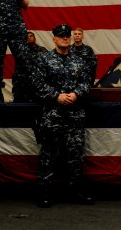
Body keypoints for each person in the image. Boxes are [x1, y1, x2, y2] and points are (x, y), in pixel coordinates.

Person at [31, 24, 94, 208]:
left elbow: (86, 83)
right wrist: (55, 96)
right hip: (53, 115)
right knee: (49, 154)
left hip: (75, 115)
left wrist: (76, 94)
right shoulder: (44, 60)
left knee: (75, 154)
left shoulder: (80, 60)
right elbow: (37, 84)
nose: (65, 38)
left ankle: (76, 191)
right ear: (54, 39)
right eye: (61, 36)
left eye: (67, 36)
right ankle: (44, 192)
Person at [12, 31, 48, 102]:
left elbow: (47, 65)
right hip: (22, 82)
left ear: (35, 38)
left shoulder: (42, 50)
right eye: (27, 37)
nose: (29, 38)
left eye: (31, 36)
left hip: (37, 82)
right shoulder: (21, 51)